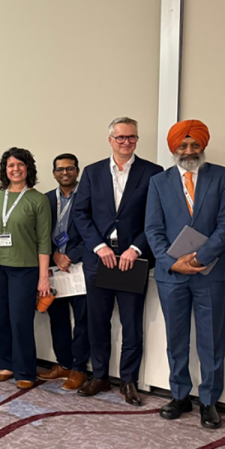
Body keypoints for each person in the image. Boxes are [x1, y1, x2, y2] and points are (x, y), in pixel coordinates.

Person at [145, 120, 225, 429]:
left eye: (194, 145)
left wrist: (200, 257)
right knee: (176, 338)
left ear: (203, 145)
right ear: (174, 148)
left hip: (211, 271)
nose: (189, 150)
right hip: (171, 274)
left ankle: (209, 401)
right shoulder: (159, 182)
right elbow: (153, 229)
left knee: (212, 340)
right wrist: (172, 262)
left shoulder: (223, 177)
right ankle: (179, 395)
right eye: (183, 145)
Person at [71, 117, 163, 405]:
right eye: (121, 137)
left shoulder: (153, 172)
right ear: (110, 140)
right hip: (99, 259)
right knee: (97, 322)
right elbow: (80, 214)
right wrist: (99, 246)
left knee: (131, 324)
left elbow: (156, 218)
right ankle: (99, 375)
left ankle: (128, 380)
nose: (126, 142)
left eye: (131, 137)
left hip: (131, 261)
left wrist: (136, 248)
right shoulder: (92, 172)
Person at [0, 147, 52, 389]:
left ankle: (25, 370)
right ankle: (5, 364)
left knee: (20, 320)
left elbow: (44, 242)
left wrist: (43, 277)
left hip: (24, 270)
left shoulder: (38, 200)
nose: (15, 169)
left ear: (28, 169)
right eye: (10, 165)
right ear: (4, 170)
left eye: (20, 165)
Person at [38, 154, 89, 390]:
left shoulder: (88, 196)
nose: (65, 173)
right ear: (54, 173)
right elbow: (38, 233)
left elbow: (95, 231)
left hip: (80, 268)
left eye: (69, 168)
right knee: (57, 319)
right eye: (60, 169)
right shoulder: (46, 199)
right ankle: (64, 364)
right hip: (53, 269)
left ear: (77, 171)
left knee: (82, 321)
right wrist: (54, 255)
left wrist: (71, 256)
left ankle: (80, 369)